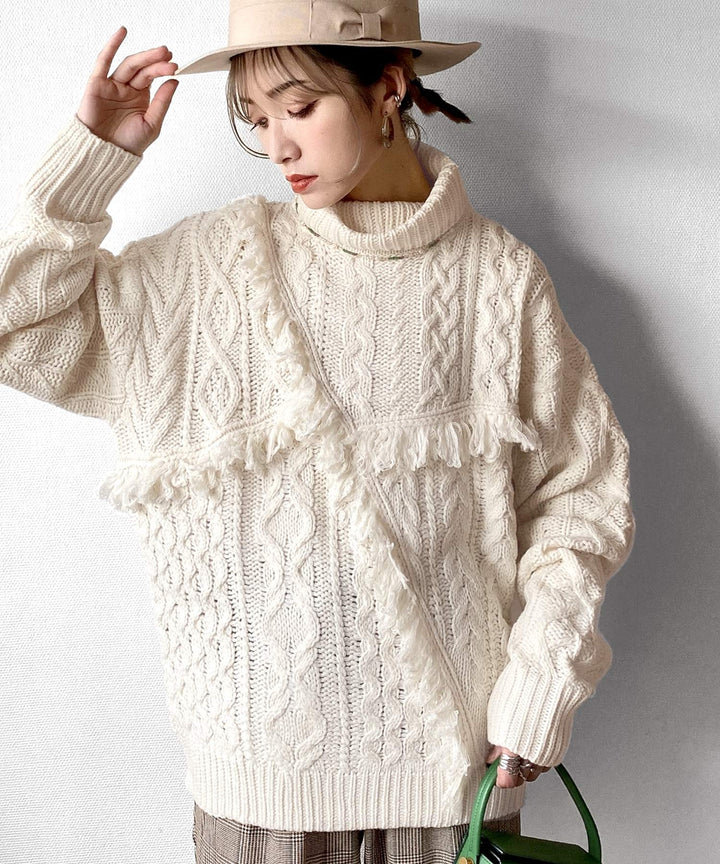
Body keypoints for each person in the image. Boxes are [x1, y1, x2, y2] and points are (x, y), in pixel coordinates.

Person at [0, 1, 636, 862]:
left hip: (453, 788)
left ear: (388, 87)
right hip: (258, 795)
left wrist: (543, 685)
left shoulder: (500, 280)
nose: (278, 146)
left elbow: (580, 498)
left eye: (299, 108)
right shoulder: (204, 270)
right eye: (256, 119)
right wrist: (92, 159)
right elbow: (16, 329)